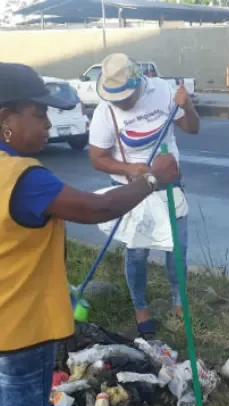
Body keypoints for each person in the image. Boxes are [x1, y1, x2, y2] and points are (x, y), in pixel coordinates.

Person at [0, 62, 180, 406]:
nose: (48, 124)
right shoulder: (23, 178)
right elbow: (97, 208)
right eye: (39, 115)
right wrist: (151, 181)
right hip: (18, 329)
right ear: (7, 118)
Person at [88, 53, 201, 336]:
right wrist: (130, 168)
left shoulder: (162, 90)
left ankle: (179, 303)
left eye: (125, 96)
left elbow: (193, 128)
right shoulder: (106, 111)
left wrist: (186, 105)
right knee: (137, 252)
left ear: (139, 83)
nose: (120, 102)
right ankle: (141, 307)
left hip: (169, 184)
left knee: (177, 248)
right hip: (131, 189)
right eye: (115, 97)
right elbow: (97, 158)